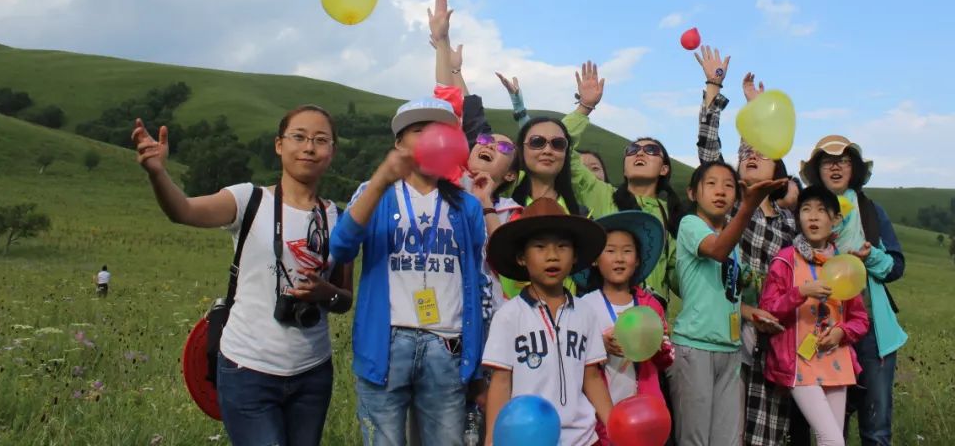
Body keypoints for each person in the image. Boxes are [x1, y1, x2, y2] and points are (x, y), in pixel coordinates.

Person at [131, 106, 353, 446]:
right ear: (279, 145)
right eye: (299, 137)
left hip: (313, 372)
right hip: (248, 369)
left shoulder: (338, 217)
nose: (309, 147)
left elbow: (344, 298)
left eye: (321, 140)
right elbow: (183, 211)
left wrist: (325, 293)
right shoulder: (248, 200)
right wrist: (157, 173)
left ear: (332, 151)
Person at [330, 97, 489, 446]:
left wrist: (475, 364)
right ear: (398, 143)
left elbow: (478, 281)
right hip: (386, 344)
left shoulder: (467, 205)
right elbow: (340, 247)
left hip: (447, 346)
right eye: (419, 131)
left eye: (439, 132)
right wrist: (380, 181)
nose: (431, 139)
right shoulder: (374, 194)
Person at [696, 61, 799, 446]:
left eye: (763, 153)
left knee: (768, 427)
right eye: (746, 152)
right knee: (724, 426)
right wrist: (714, 90)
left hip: (772, 335)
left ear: (779, 175)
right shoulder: (731, 209)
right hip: (728, 328)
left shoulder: (789, 228)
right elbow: (710, 153)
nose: (752, 156)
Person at [669, 160, 785, 446]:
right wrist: (749, 205)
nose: (720, 191)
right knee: (694, 439)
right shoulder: (691, 225)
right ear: (693, 193)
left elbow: (727, 295)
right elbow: (717, 251)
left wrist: (752, 312)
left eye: (729, 185)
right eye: (711, 184)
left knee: (728, 440)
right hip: (695, 345)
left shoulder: (732, 247)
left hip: (730, 349)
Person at [799, 136, 907, 446]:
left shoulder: (871, 212)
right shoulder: (806, 214)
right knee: (831, 427)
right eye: (827, 162)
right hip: (822, 330)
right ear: (817, 171)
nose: (835, 167)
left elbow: (896, 267)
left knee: (875, 429)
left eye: (843, 161)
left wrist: (870, 255)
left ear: (853, 169)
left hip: (872, 333)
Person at [482, 198, 613, 446]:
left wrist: (614, 425)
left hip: (583, 439)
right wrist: (491, 439)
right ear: (522, 257)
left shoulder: (585, 313)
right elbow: (500, 383)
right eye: (540, 247)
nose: (552, 256)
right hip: (528, 438)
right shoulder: (509, 315)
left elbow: (592, 377)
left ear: (574, 256)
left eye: (563, 246)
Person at [561, 61, 684, 305]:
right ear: (624, 167)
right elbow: (559, 145)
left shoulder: (670, 213)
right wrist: (585, 107)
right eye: (632, 149)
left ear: (665, 169)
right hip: (602, 310)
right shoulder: (601, 193)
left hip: (650, 318)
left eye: (650, 149)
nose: (639, 153)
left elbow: (678, 278)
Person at [760, 186, 871, 446]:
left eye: (822, 211)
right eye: (807, 210)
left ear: (835, 220)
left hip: (836, 362)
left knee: (833, 441)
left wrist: (841, 333)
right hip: (799, 362)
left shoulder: (844, 265)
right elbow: (768, 308)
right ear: (798, 218)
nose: (813, 217)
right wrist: (801, 292)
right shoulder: (785, 259)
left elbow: (860, 319)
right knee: (830, 439)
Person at [575, 211, 674, 443]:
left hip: (647, 413)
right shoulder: (585, 306)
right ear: (595, 259)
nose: (619, 258)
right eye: (610, 251)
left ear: (638, 259)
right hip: (602, 414)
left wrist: (660, 346)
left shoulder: (651, 307)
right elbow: (575, 361)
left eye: (627, 251)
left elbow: (665, 361)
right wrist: (600, 346)